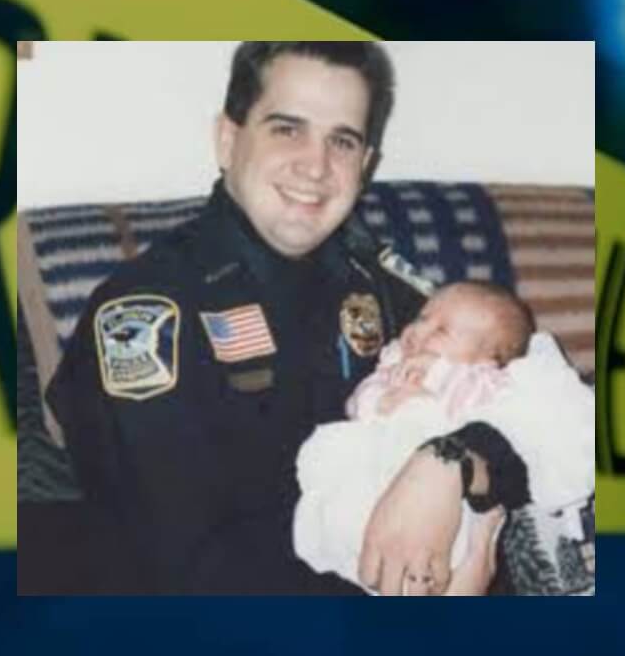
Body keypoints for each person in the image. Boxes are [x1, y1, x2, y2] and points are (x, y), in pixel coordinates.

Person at [45, 41, 535, 595]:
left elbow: (538, 402)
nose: (316, 166)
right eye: (287, 129)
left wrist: (456, 462)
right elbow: (187, 559)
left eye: (342, 141)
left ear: (366, 163)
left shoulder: (384, 287)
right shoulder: (146, 314)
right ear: (228, 141)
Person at [294, 282, 595, 594]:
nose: (419, 329)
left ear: (488, 358)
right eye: (422, 318)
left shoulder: (481, 377)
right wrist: (379, 399)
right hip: (379, 478)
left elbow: (493, 406)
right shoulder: (391, 363)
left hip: (441, 511)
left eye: (441, 331)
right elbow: (356, 406)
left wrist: (436, 375)